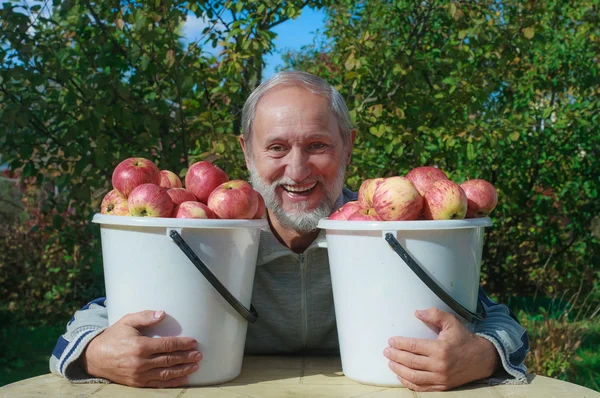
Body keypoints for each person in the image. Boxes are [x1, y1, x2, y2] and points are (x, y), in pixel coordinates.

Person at [50, 71, 529, 391]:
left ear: (348, 147)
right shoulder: (206, 233)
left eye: (317, 145)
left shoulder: (389, 232)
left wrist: (483, 356)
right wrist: (95, 353)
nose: (296, 170)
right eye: (276, 147)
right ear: (247, 153)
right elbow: (93, 318)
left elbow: (497, 321)